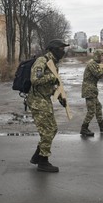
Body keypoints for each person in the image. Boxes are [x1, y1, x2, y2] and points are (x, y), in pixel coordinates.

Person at [28, 39, 69, 173]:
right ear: (54, 49)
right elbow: (35, 80)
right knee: (47, 131)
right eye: (61, 49)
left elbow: (49, 86)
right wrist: (53, 76)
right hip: (37, 101)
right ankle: (43, 162)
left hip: (45, 99)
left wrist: (58, 96)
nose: (63, 51)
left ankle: (37, 156)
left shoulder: (54, 63)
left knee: (53, 129)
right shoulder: (42, 61)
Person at [80, 49, 103, 136]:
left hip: (92, 89)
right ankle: (84, 128)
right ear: (97, 55)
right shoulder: (92, 64)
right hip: (88, 89)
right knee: (91, 111)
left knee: (98, 107)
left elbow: (100, 72)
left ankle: (102, 125)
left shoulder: (96, 64)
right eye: (102, 55)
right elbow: (99, 74)